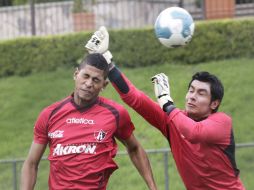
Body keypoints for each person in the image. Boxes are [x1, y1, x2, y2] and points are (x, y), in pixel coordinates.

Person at [85, 26, 246, 189]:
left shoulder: (222, 122)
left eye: (201, 93)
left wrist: (167, 102)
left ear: (214, 103)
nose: (192, 96)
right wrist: (107, 61)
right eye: (191, 90)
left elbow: (195, 132)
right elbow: (134, 97)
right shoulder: (173, 121)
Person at [20, 53, 157, 190]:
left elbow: (135, 148)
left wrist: (153, 187)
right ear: (76, 75)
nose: (89, 84)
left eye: (96, 80)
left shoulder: (115, 114)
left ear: (104, 85)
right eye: (85, 76)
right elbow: (31, 163)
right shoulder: (49, 114)